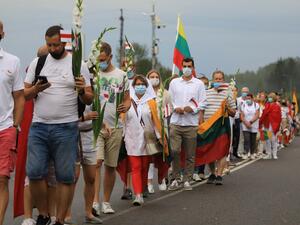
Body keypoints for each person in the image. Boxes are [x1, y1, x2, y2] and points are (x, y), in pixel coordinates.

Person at [24, 25, 93, 225]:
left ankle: (60, 220)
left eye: (56, 44)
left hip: (66, 128)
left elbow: (89, 99)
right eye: (49, 44)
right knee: (34, 172)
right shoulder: (38, 63)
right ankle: (44, 214)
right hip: (39, 126)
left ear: (65, 43)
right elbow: (24, 95)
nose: (53, 48)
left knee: (65, 177)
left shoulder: (78, 65)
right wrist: (36, 88)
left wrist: (81, 91)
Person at [92, 42, 131, 215]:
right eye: (98, 59)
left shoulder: (121, 75)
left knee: (110, 166)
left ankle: (106, 201)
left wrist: (126, 106)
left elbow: (127, 99)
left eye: (103, 59)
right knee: (96, 163)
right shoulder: (93, 74)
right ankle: (94, 201)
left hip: (115, 126)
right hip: (96, 126)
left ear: (110, 57)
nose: (101, 62)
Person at [124, 75, 168, 205]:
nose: (140, 86)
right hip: (131, 138)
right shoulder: (127, 102)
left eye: (142, 84)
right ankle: (138, 195)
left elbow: (156, 122)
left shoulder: (152, 102)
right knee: (136, 166)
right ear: (133, 87)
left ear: (146, 87)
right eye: (137, 84)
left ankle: (142, 189)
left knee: (144, 166)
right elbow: (123, 121)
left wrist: (161, 138)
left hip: (147, 139)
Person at [168, 57, 206, 191]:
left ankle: (187, 179)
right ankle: (175, 178)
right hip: (176, 122)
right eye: (184, 66)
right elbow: (169, 100)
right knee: (175, 151)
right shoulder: (174, 83)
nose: (187, 69)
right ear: (181, 67)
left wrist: (193, 109)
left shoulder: (199, 84)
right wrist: (175, 107)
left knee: (190, 154)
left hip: (190, 123)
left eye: (189, 66)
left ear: (193, 68)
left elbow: (203, 102)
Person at [0, 20, 25, 225]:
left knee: (2, 180)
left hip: (5, 127)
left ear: (2, 33)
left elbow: (19, 96)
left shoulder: (12, 61)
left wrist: (16, 125)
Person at [204, 70, 236, 185]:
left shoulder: (228, 94)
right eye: (216, 79)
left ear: (223, 80)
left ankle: (219, 174)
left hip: (222, 125)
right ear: (212, 80)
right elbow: (202, 109)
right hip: (209, 125)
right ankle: (212, 173)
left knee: (222, 151)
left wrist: (228, 108)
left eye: (220, 79)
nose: (218, 81)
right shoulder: (206, 93)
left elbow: (234, 113)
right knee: (210, 151)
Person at [146, 69, 172, 193]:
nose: (154, 79)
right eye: (151, 76)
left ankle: (162, 179)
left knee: (163, 155)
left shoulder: (165, 93)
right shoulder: (144, 93)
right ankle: (149, 182)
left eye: (156, 76)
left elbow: (170, 108)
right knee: (150, 156)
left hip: (162, 128)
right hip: (148, 128)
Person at [259, 92, 282, 159]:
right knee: (267, 139)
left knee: (273, 139)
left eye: (271, 97)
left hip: (273, 125)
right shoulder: (267, 105)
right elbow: (263, 114)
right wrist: (260, 122)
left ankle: (274, 154)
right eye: (269, 97)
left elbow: (278, 116)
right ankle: (269, 154)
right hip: (266, 124)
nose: (269, 98)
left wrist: (278, 124)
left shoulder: (277, 106)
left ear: (274, 98)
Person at [240, 93, 260, 160]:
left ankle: (252, 153)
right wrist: (246, 123)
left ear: (252, 98)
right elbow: (242, 116)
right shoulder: (243, 104)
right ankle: (245, 153)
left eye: (249, 98)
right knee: (246, 139)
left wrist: (251, 122)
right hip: (245, 125)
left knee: (253, 140)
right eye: (247, 98)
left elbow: (257, 115)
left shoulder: (256, 105)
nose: (248, 100)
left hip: (253, 125)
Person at [233, 86, 249, 158]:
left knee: (247, 138)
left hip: (248, 121)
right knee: (240, 137)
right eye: (243, 92)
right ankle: (239, 151)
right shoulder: (238, 100)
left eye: (246, 92)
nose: (244, 93)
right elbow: (237, 111)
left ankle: (246, 151)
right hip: (239, 121)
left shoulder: (250, 100)